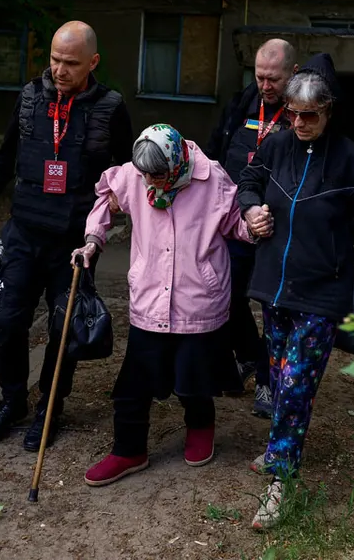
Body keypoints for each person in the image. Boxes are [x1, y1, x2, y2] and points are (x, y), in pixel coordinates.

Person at [0, 21, 133, 452]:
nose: (60, 70)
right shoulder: (30, 97)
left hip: (73, 244)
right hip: (24, 233)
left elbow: (127, 168)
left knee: (63, 329)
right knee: (8, 321)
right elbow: (4, 157)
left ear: (93, 62)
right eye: (54, 59)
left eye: (70, 63)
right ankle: (12, 400)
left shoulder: (110, 107)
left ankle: (50, 406)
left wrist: (126, 202)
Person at [236, 53, 354, 529]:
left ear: (328, 111)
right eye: (293, 113)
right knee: (280, 377)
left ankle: (280, 481)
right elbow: (249, 182)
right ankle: (279, 447)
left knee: (298, 385)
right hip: (275, 289)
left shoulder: (353, 161)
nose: (299, 123)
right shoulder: (275, 146)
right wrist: (250, 209)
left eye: (310, 115)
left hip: (323, 294)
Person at [72, 124, 251, 486]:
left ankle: (201, 426)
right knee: (132, 385)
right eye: (145, 175)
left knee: (193, 378)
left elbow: (235, 223)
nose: (151, 182)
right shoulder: (132, 176)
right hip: (150, 295)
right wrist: (92, 240)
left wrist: (256, 225)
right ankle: (128, 450)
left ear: (177, 160)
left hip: (198, 297)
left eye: (158, 174)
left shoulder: (211, 177)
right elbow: (104, 203)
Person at [204, 38, 299, 419]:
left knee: (273, 307)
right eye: (260, 76)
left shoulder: (302, 112)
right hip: (235, 220)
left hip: (279, 228)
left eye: (273, 78)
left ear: (292, 73)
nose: (265, 85)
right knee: (227, 296)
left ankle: (268, 379)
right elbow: (216, 151)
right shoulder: (243, 101)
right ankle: (250, 358)